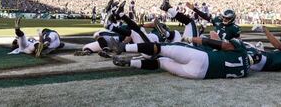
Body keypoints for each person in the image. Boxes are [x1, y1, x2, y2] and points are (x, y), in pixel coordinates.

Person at [108, 38, 252, 79]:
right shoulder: (245, 72)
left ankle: (123, 48)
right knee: (161, 63)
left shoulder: (242, 51)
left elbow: (223, 44)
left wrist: (196, 39)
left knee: (161, 49)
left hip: (202, 58)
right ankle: (130, 62)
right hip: (198, 74)